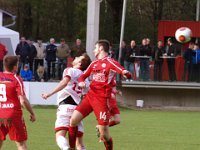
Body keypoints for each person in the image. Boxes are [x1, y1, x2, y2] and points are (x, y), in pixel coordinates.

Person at [68, 40, 131, 150]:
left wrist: (127, 74)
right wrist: (81, 81)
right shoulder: (94, 63)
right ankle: (72, 148)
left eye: (95, 48)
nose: (94, 50)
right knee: (73, 121)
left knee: (104, 135)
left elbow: (122, 70)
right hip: (90, 96)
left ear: (101, 49)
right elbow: (83, 76)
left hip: (102, 100)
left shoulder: (110, 62)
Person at [41, 53, 91, 150]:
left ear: (80, 63)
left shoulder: (70, 70)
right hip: (77, 110)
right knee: (79, 143)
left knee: (60, 136)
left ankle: (65, 148)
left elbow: (64, 82)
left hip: (65, 107)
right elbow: (86, 95)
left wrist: (50, 93)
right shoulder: (85, 78)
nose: (75, 57)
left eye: (78, 57)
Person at [0, 55, 36, 150]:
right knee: (21, 144)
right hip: (13, 114)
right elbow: (23, 100)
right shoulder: (16, 78)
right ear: (15, 67)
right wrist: (32, 113)